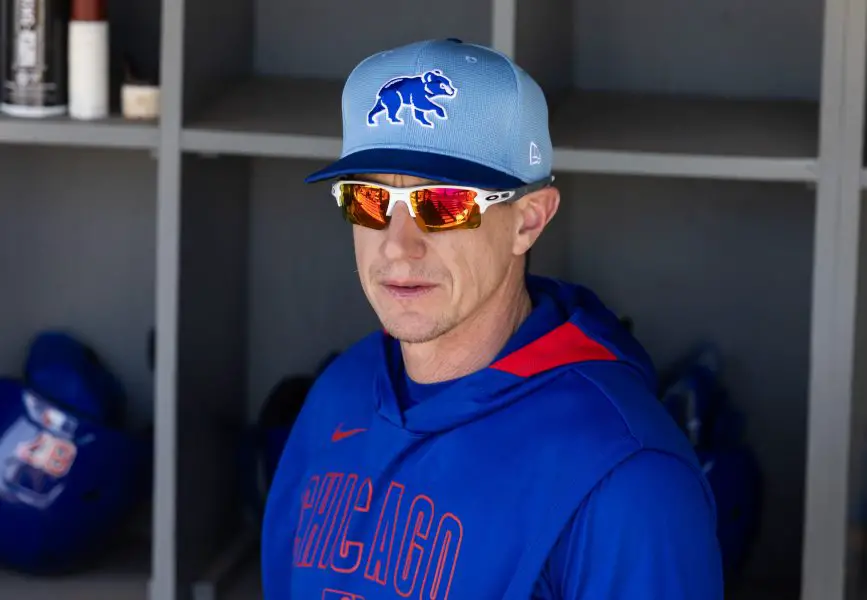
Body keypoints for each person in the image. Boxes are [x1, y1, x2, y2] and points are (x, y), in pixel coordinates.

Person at [261, 38, 724, 599]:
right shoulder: (341, 393)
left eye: (445, 204)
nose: (397, 247)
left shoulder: (627, 479)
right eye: (368, 200)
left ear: (529, 220)